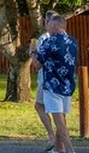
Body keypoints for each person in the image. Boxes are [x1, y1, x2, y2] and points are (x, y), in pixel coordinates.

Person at [32, 14, 78, 153]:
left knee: (60, 123)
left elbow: (37, 65)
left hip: (53, 86)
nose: (46, 25)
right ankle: (59, 149)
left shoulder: (50, 42)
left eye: (48, 23)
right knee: (62, 117)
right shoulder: (72, 41)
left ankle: (70, 150)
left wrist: (33, 51)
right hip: (68, 85)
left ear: (54, 26)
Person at [33, 10, 58, 152]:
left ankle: (52, 136)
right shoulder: (65, 38)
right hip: (61, 80)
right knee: (58, 111)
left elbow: (38, 63)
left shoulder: (44, 38)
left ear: (47, 22)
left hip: (46, 78)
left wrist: (32, 52)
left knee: (40, 106)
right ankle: (60, 141)